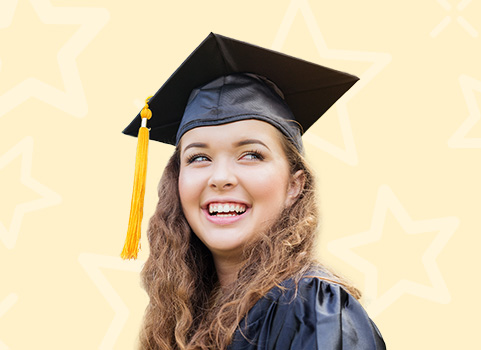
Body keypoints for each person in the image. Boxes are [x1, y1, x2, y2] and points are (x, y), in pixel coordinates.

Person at [121, 33, 386, 350]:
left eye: (252, 154)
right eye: (199, 158)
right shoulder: (181, 319)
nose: (220, 178)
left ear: (294, 186)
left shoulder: (311, 309)